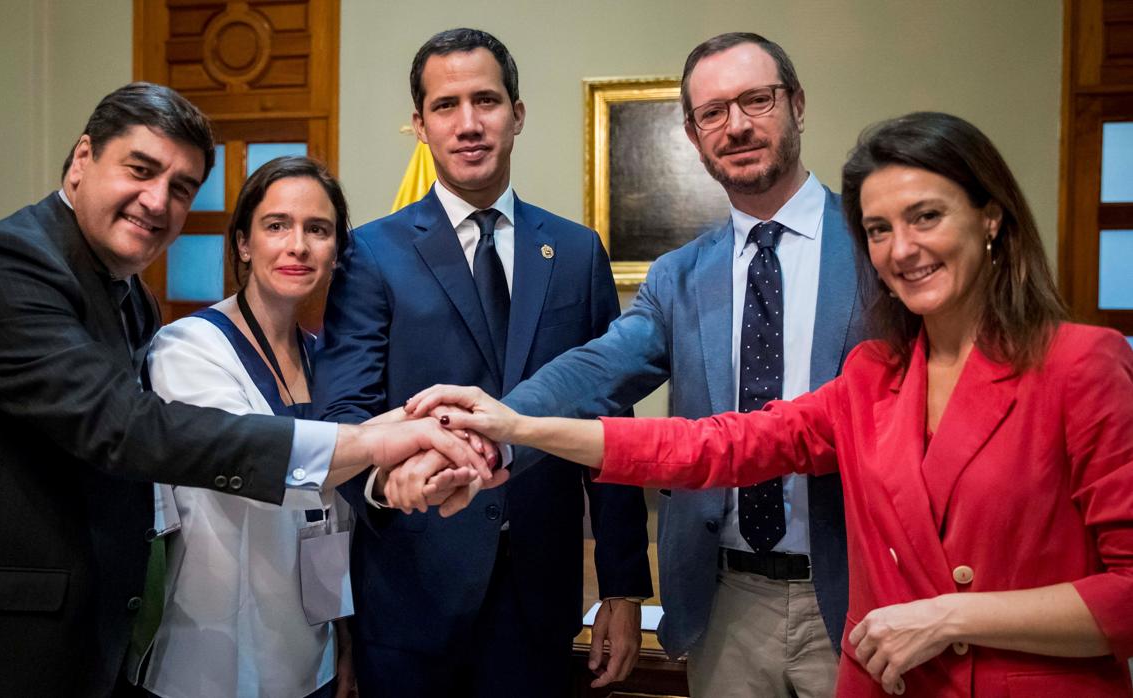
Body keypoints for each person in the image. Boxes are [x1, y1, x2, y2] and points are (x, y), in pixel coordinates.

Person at [410, 111, 1133, 697]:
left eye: (927, 217)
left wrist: (949, 617)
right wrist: (513, 426)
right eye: (879, 230)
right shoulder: (873, 376)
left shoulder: (1081, 365)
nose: (901, 249)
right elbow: (711, 445)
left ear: (992, 219)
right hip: (821, 647)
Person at [0, 83, 488, 697]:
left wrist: (395, 452)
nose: (157, 201)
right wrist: (373, 444)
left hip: (103, 628)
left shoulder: (131, 300)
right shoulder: (2, 263)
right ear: (81, 160)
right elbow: (129, 429)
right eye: (140, 170)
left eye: (181, 188)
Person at [418, 32, 861, 697]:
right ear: (691, 132)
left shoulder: (876, 247)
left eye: (756, 101)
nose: (736, 125)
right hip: (726, 604)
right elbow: (597, 370)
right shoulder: (682, 275)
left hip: (861, 591)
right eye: (713, 112)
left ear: (796, 104)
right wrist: (498, 429)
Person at [313, 28, 652, 697]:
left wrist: (622, 583)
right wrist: (385, 486)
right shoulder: (371, 255)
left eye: (486, 101)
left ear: (518, 113)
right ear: (419, 125)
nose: (468, 124)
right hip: (410, 597)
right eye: (445, 106)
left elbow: (608, 419)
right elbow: (342, 416)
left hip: (540, 601)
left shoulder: (577, 253)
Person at [141, 157, 358, 697]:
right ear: (243, 243)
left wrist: (346, 636)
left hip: (314, 650)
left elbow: (333, 514)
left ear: (337, 251)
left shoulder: (326, 360)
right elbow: (258, 457)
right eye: (277, 225)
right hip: (212, 650)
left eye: (318, 229)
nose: (298, 246)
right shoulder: (189, 347)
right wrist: (385, 438)